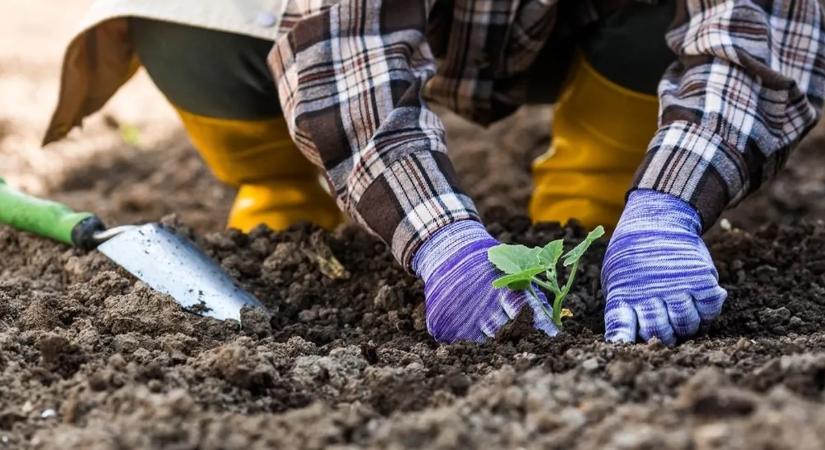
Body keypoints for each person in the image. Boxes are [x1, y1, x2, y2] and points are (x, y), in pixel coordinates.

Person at [45, 0, 825, 345]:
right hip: (350, 21)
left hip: (579, 24)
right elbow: (346, 49)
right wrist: (440, 239)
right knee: (190, 12)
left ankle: (598, 193)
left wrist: (672, 202)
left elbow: (765, 32)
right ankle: (279, 184)